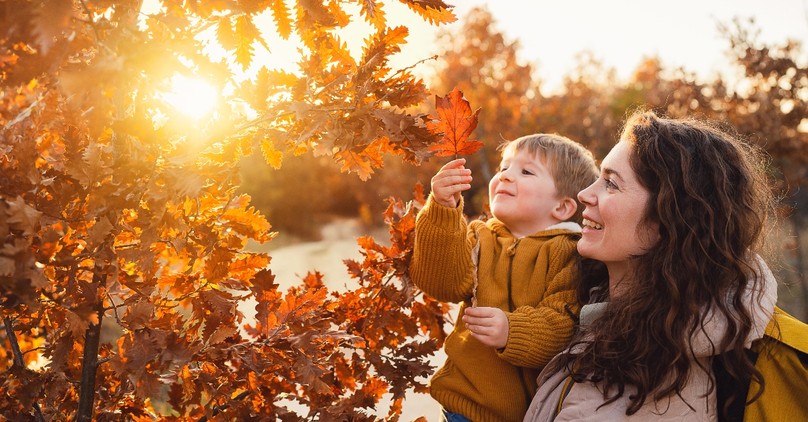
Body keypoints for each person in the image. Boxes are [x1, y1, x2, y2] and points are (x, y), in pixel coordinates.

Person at [524, 110, 778, 421]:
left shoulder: (658, 384)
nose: (585, 194)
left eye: (611, 184)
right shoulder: (605, 313)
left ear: (668, 219)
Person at [409, 133, 599, 421]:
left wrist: (511, 331)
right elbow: (442, 283)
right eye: (504, 167)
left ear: (561, 207)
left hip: (532, 412)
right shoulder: (480, 237)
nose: (506, 176)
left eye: (526, 172)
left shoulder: (569, 252)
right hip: (464, 404)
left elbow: (564, 323)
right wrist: (442, 210)